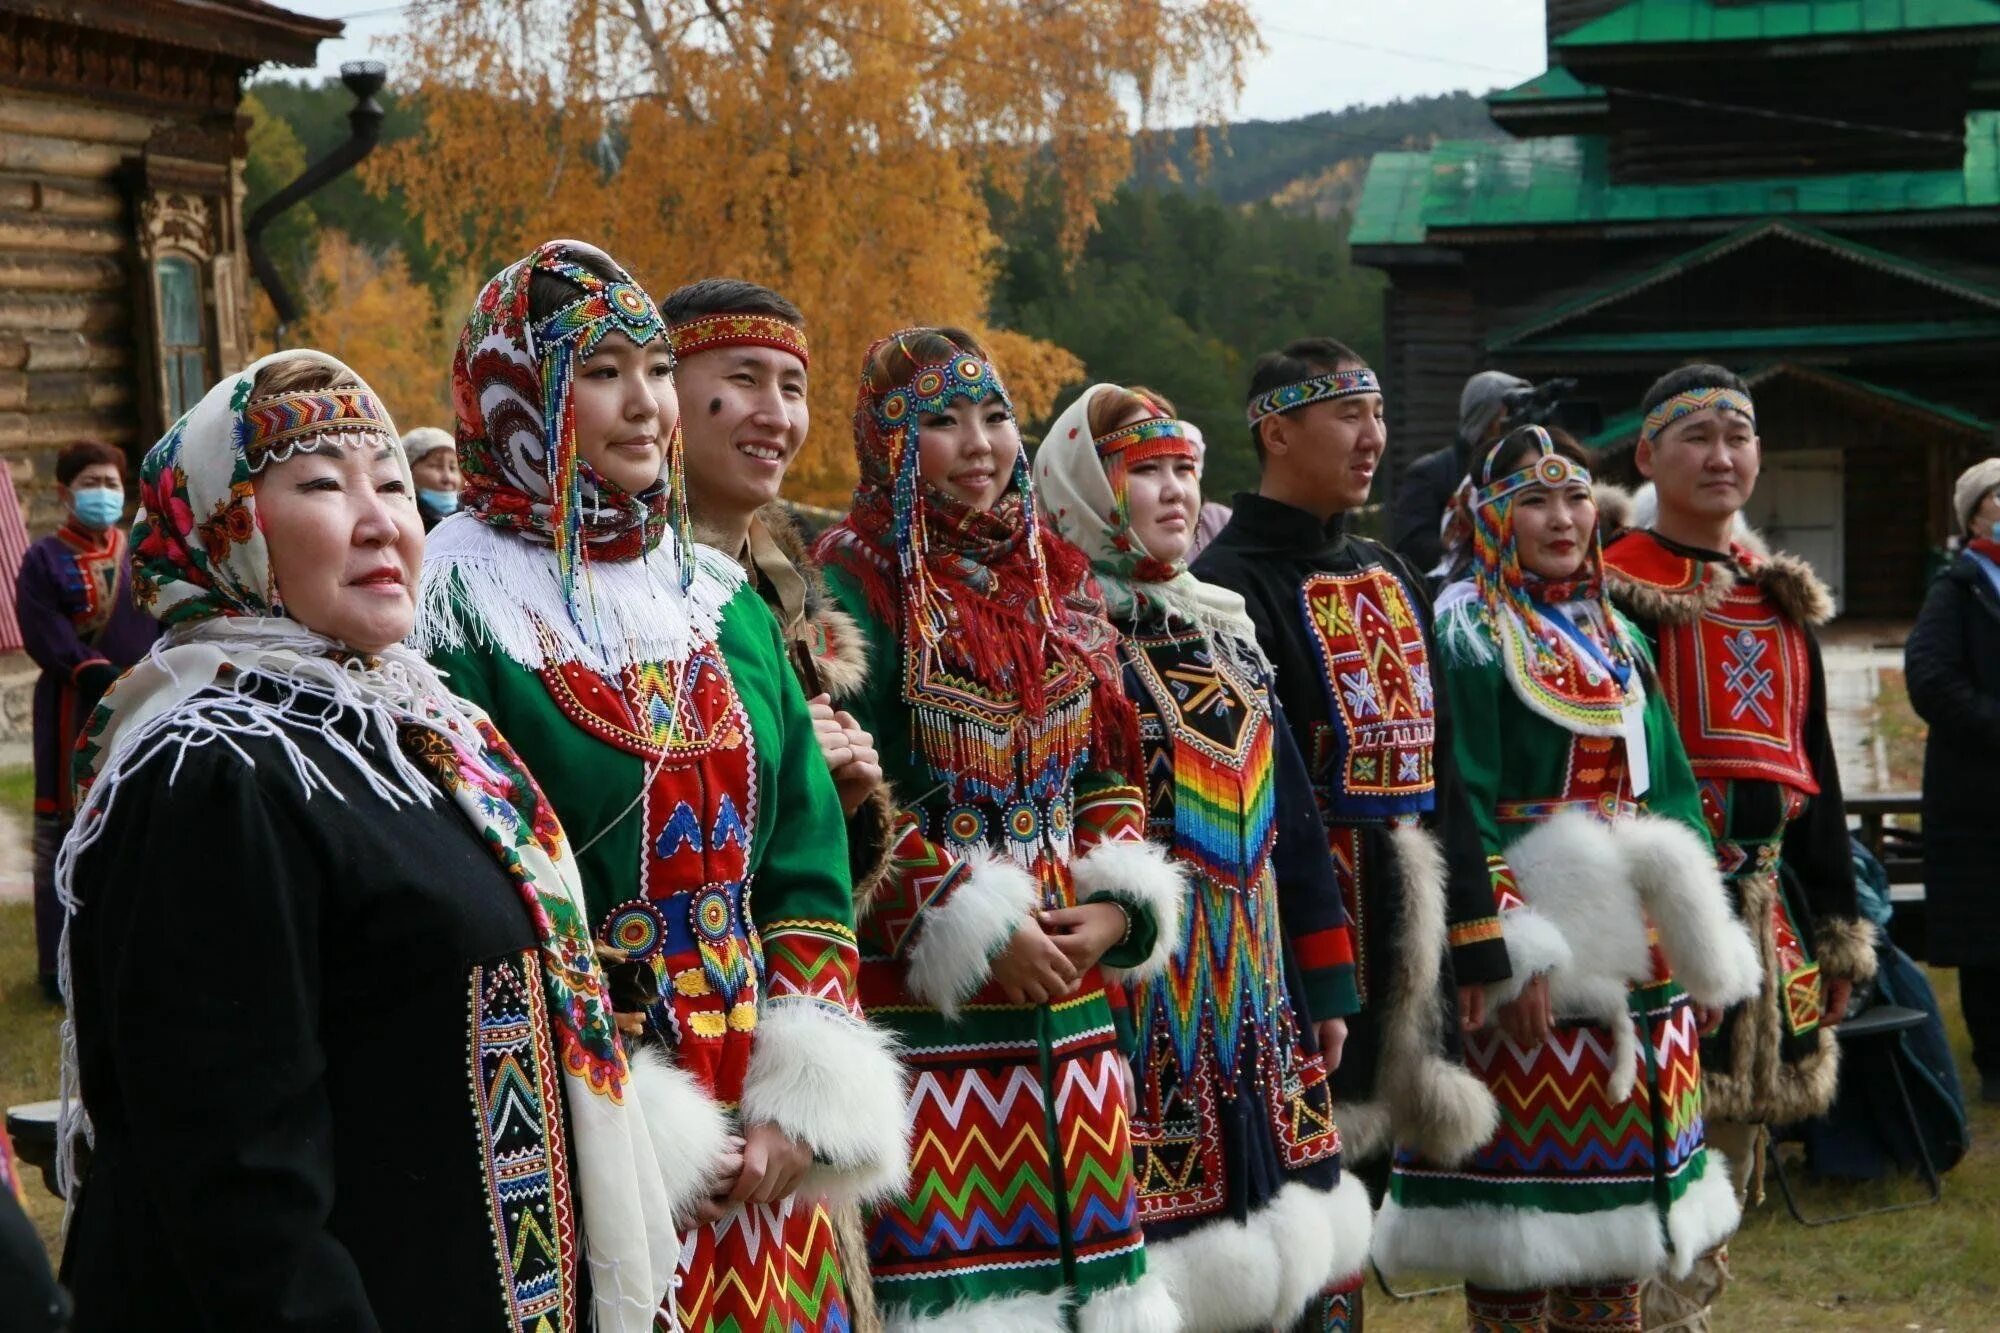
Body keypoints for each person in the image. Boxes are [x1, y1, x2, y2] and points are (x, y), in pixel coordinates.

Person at [58, 350, 678, 1331]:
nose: (381, 516)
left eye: (391, 480)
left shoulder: (423, 731)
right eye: (319, 484)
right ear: (229, 527)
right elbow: (239, 1184)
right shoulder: (216, 770)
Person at [414, 242, 906, 1333]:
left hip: (762, 1121)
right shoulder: (453, 611)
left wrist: (796, 1102)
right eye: (600, 373)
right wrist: (626, 1087)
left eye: (652, 368)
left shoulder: (716, 599)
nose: (644, 404)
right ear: (515, 395)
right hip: (581, 1116)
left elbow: (802, 857)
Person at [813, 329, 1184, 1330]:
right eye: (939, 421)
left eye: (995, 416)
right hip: (931, 1010)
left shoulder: (1054, 576)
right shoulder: (843, 588)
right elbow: (840, 803)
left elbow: (1108, 761)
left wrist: (1112, 907)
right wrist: (967, 921)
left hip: (1068, 992)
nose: (978, 443)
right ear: (883, 442)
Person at [1372, 425, 1760, 1333]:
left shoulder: (1619, 631)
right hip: (1537, 968)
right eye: (1535, 501)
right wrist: (1504, 948)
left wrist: (1697, 943)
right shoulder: (1464, 628)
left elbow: (1668, 789)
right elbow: (1454, 796)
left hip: (1639, 965)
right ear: (1490, 517)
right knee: (1520, 1240)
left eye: (1577, 497)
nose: (1562, 517)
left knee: (1619, 1244)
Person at [1036, 383, 1372, 1332]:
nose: (1177, 492)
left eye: (1187, 469)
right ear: (1082, 486)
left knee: (1299, 1258)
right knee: (1165, 1263)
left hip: (1262, 984)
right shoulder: (1063, 637)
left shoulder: (1222, 622)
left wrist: (1327, 981)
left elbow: (1293, 821)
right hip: (1142, 999)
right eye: (1147, 471)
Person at [1599, 365, 1874, 1326]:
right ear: (1647, 455)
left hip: (1766, 918)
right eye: (1697, 437)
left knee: (1722, 1174)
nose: (1723, 456)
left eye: (1740, 436)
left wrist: (1838, 927)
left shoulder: (1779, 596)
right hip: (1641, 925)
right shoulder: (1608, 591)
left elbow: (1817, 774)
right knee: (1636, 1182)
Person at [661, 276, 895, 1331]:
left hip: (782, 1023)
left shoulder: (781, 582)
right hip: (665, 1041)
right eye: (741, 379)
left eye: (792, 386)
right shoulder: (601, 596)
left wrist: (844, 800)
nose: (775, 413)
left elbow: (796, 861)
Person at [13, 440, 158, 1002]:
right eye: (91, 482)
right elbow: (43, 629)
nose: (103, 492)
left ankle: (127, 950)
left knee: (132, 816)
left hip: (145, 701)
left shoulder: (139, 552)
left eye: (111, 482)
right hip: (74, 705)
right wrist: (92, 671)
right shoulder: (43, 560)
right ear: (63, 491)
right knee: (67, 828)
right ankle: (61, 963)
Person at [1905, 455, 2000, 1106]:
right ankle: (1996, 1062)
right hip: (1979, 796)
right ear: (1975, 515)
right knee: (1989, 937)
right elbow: (1930, 680)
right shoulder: (1957, 588)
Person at [1390, 369, 1529, 574]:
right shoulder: (1429, 474)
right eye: (1509, 413)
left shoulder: (1529, 472)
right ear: (1486, 419)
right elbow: (1413, 550)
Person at [403, 425, 462, 529]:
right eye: (436, 466)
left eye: (452, 468)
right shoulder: (400, 525)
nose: (448, 478)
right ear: (409, 472)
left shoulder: (474, 522)